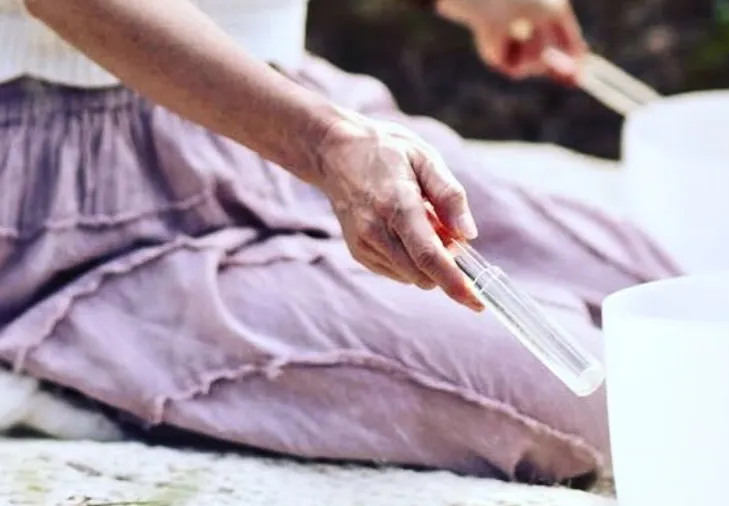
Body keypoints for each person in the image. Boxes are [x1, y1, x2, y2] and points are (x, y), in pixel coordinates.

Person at [0, 0, 678, 487]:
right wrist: (323, 144)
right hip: (77, 177)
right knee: (599, 401)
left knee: (656, 298)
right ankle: (79, 346)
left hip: (272, 87)